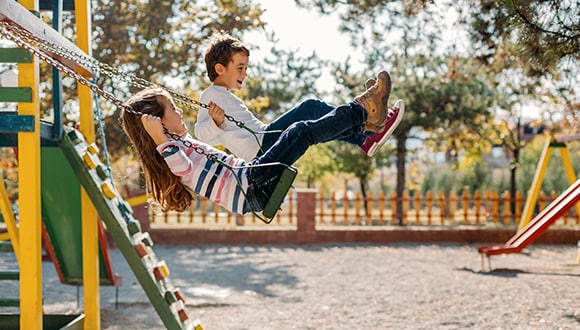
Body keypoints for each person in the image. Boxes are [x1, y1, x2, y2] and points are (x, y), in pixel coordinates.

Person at [120, 70, 399, 215]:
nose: (179, 111)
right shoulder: (171, 154)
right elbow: (180, 164)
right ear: (158, 122)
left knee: (302, 128)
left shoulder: (178, 145)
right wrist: (157, 137)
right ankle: (362, 111)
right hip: (250, 185)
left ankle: (365, 122)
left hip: (250, 178)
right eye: (171, 108)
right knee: (300, 131)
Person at [194, 32, 404, 160]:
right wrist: (216, 122)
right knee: (310, 108)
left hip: (263, 139)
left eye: (246, 68)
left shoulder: (222, 94)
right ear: (220, 69)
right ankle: (367, 129)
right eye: (240, 68)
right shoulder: (211, 94)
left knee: (314, 118)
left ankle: (366, 135)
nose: (245, 74)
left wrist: (218, 123)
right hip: (261, 146)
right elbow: (201, 136)